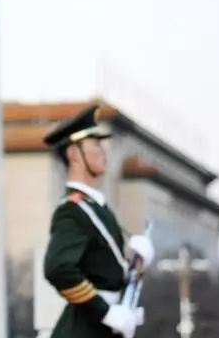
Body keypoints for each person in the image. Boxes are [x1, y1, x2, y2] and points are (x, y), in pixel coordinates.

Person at [42, 105, 154, 338]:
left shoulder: (96, 206)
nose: (104, 152)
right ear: (74, 153)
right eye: (95, 144)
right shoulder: (72, 211)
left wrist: (136, 264)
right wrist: (105, 311)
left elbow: (105, 272)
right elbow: (58, 269)